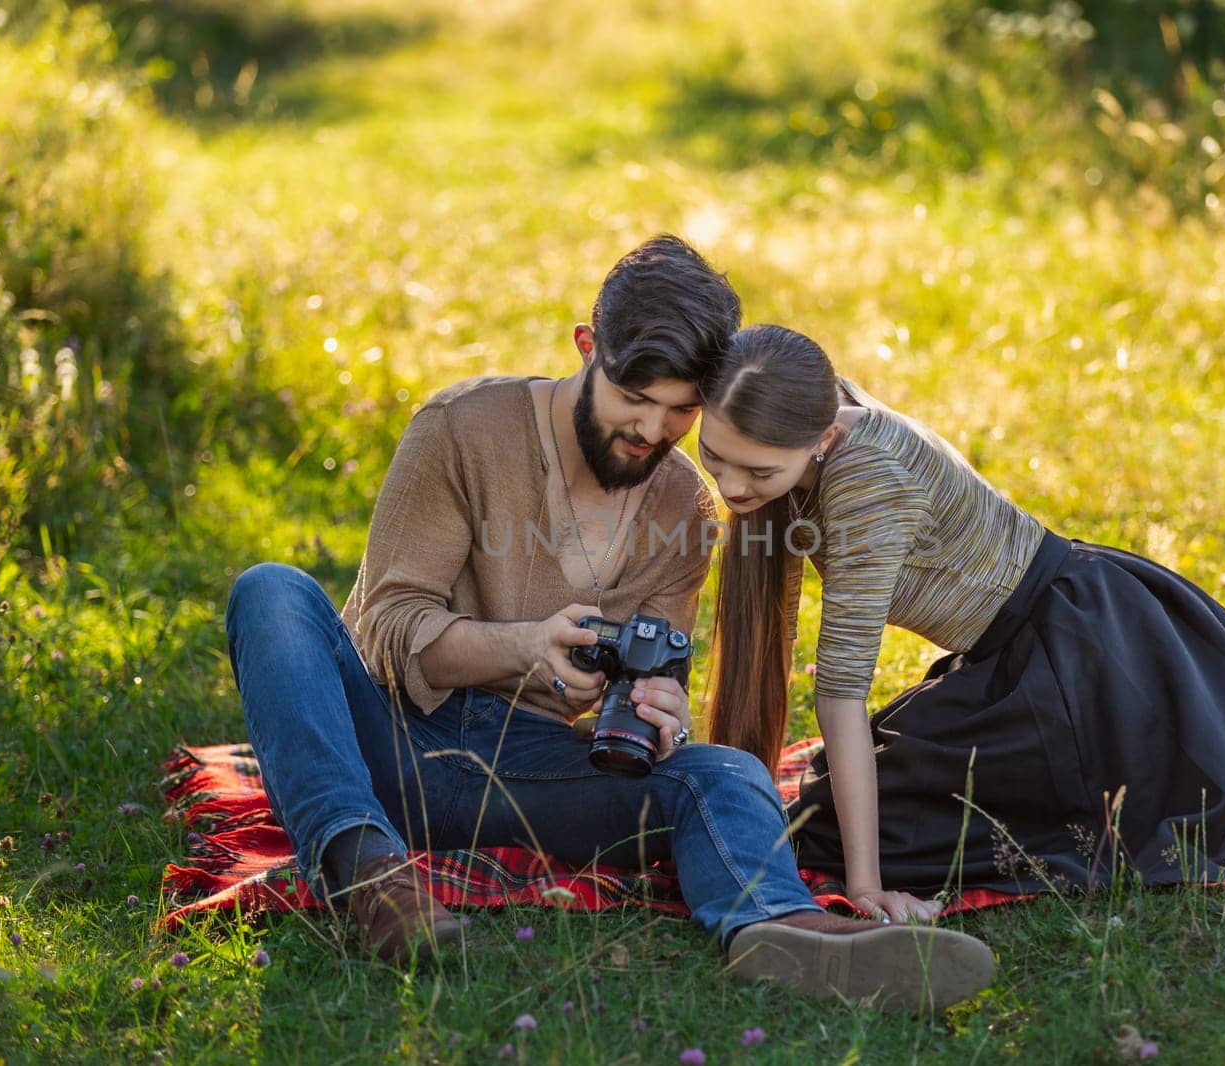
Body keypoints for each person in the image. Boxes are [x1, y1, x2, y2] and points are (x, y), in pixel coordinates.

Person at [224, 238, 995, 1012]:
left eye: (682, 407)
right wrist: (522, 646)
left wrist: (659, 719)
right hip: (381, 737)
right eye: (635, 393)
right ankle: (371, 878)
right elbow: (388, 630)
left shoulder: (685, 507)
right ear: (587, 347)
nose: (655, 429)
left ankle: (785, 929)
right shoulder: (461, 428)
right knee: (272, 593)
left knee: (727, 773)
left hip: (525, 774)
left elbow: (648, 692)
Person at [698, 324, 1225, 923]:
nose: (730, 488)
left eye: (756, 470)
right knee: (837, 793)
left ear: (820, 439)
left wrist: (866, 887)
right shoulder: (810, 397)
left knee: (824, 824)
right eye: (714, 456)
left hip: (1073, 669)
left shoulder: (866, 487)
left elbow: (841, 692)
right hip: (1037, 643)